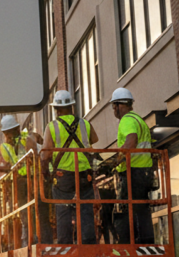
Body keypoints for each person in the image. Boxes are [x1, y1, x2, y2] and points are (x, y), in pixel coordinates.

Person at [40, 90, 99, 244]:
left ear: (56, 110)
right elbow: (94, 138)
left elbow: (46, 155)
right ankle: (88, 244)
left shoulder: (52, 127)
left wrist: (43, 169)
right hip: (84, 175)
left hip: (63, 176)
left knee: (63, 211)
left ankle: (65, 244)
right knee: (85, 209)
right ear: (72, 107)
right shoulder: (84, 123)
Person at [106, 88, 154, 244]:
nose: (114, 110)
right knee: (141, 209)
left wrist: (116, 161)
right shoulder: (140, 120)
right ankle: (145, 240)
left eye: (114, 106)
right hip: (145, 172)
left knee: (126, 209)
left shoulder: (126, 120)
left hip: (132, 172)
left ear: (121, 105)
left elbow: (131, 141)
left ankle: (128, 242)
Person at [0, 114, 33, 246]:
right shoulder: (23, 140)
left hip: (23, 182)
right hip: (29, 180)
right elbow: (9, 166)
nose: (8, 137)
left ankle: (27, 243)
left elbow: (7, 167)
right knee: (28, 214)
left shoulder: (23, 140)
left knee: (25, 215)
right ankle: (28, 241)